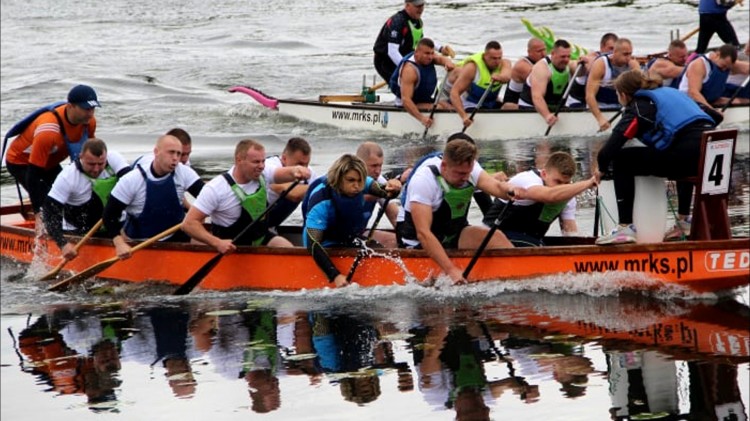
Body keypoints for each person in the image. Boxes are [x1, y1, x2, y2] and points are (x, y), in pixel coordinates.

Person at [595, 70, 718, 245]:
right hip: (709, 153)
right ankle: (684, 221)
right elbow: (716, 116)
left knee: (621, 159)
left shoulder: (640, 105)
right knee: (679, 146)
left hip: (687, 158)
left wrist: (601, 168)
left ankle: (625, 228)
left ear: (623, 95)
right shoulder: (674, 93)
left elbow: (608, 151)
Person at [395, 135, 521, 284]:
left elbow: (497, 187)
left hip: (451, 232)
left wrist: (509, 190)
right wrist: (451, 270)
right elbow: (423, 233)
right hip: (417, 242)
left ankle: (519, 277)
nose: (465, 178)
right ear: (444, 166)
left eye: (468, 173)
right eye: (460, 174)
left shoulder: (469, 167)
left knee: (496, 237)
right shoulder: (423, 180)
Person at [181, 139, 310, 253]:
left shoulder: (263, 173)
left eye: (263, 161)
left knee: (287, 248)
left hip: (260, 238)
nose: (261, 166)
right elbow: (189, 224)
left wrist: (295, 170)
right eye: (256, 162)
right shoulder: (216, 188)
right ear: (239, 160)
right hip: (231, 247)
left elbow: (282, 173)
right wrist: (217, 243)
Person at [302, 154, 400, 288]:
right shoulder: (321, 200)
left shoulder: (360, 181)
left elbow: (384, 191)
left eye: (360, 181)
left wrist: (393, 188)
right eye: (351, 180)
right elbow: (313, 244)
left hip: (346, 237)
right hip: (324, 243)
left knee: (378, 249)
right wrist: (335, 275)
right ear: (338, 179)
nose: (357, 186)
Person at [4, 84, 100, 217]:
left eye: (93, 108)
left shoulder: (89, 122)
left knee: (72, 199)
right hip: (22, 163)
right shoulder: (48, 131)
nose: (90, 114)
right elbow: (33, 175)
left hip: (49, 162)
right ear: (71, 106)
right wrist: (39, 212)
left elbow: (92, 157)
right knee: (50, 206)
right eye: (86, 109)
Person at [103, 135, 205, 257]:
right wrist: (119, 243)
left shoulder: (184, 173)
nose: (175, 158)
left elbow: (207, 199)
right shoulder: (131, 180)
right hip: (140, 242)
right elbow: (109, 216)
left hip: (176, 236)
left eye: (178, 154)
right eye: (171, 153)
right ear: (156, 152)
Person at [482, 151, 596, 247]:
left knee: (538, 244)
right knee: (535, 245)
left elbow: (570, 234)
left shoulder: (568, 197)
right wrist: (589, 182)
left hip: (528, 240)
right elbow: (550, 196)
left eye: (566, 183)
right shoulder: (528, 180)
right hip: (491, 236)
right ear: (544, 174)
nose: (562, 187)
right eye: (558, 182)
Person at [42, 138, 131, 259]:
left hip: (114, 223)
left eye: (101, 164)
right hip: (80, 230)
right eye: (91, 164)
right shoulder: (67, 177)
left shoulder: (113, 158)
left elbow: (132, 183)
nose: (96, 169)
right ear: (81, 157)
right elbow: (50, 213)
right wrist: (63, 244)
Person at [372, 0, 455, 82]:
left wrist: (441, 49)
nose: (421, 9)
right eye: (417, 6)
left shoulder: (417, 20)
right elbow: (392, 51)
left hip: (405, 56)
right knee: (404, 86)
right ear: (407, 5)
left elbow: (421, 40)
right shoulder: (397, 21)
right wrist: (407, 67)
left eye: (422, 5)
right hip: (385, 61)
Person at [390, 38, 454, 128]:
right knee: (440, 107)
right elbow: (406, 101)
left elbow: (440, 59)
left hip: (421, 99)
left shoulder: (429, 57)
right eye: (427, 53)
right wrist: (422, 119)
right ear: (416, 53)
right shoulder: (409, 70)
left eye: (432, 53)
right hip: (407, 104)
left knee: (449, 105)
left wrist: (447, 63)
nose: (430, 57)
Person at [449, 41, 512, 129]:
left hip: (490, 102)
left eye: (499, 58)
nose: (497, 62)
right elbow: (454, 93)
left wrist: (500, 77)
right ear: (485, 56)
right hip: (471, 103)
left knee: (510, 107)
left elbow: (507, 76)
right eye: (493, 58)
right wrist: (464, 117)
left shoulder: (505, 63)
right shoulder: (472, 68)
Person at [518, 39, 579, 129]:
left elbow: (586, 71)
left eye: (568, 56)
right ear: (553, 53)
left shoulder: (570, 65)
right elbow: (537, 97)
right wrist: (547, 115)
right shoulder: (541, 68)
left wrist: (585, 63)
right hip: (530, 108)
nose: (566, 60)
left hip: (555, 108)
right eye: (562, 57)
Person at [585, 38, 641, 132]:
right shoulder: (601, 64)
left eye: (630, 54)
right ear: (615, 52)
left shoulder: (633, 65)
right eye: (625, 54)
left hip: (621, 107)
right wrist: (600, 118)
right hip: (601, 107)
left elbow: (640, 91)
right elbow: (589, 95)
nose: (628, 57)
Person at [356, 141, 403, 248]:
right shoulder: (347, 180)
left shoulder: (379, 180)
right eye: (374, 166)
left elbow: (395, 216)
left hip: (357, 233)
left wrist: (409, 238)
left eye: (380, 165)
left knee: (397, 241)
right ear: (360, 164)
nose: (378, 171)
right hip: (334, 237)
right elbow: (358, 200)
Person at [264, 137, 316, 230]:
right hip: (246, 225)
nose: (304, 168)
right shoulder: (269, 167)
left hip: (270, 227)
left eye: (306, 164)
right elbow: (293, 193)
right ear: (284, 158)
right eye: (299, 164)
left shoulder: (308, 173)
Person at [679, 43, 748, 109]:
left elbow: (745, 68)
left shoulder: (725, 62)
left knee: (743, 101)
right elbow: (693, 93)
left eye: (727, 68)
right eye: (723, 66)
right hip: (690, 103)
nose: (724, 70)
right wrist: (712, 111)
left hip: (710, 100)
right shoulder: (699, 65)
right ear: (718, 54)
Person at [566, 33, 618, 107]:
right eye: (611, 48)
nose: (613, 52)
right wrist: (581, 64)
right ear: (602, 47)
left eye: (616, 49)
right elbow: (572, 65)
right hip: (577, 102)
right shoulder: (591, 58)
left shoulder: (617, 61)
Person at [503, 38, 548, 109]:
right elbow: (542, 81)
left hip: (529, 101)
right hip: (513, 105)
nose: (543, 54)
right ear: (529, 52)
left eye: (544, 50)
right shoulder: (522, 66)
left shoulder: (543, 62)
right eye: (539, 51)